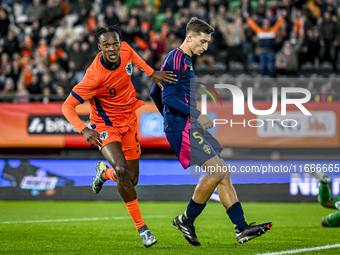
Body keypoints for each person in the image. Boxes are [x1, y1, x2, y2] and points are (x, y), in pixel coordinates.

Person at [150, 17, 272, 246]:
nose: (205, 47)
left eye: (207, 42)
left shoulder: (181, 59)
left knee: (222, 172)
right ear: (190, 37)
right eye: (202, 41)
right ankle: (186, 219)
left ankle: (241, 228)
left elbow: (154, 93)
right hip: (183, 125)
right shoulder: (176, 59)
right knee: (217, 170)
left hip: (184, 124)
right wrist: (190, 117)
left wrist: (169, 116)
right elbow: (167, 97)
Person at [62, 24, 177, 248]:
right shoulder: (94, 77)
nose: (113, 48)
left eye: (115, 43)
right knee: (123, 171)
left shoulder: (125, 50)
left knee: (131, 179)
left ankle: (104, 173)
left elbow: (133, 55)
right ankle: (142, 228)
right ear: (99, 47)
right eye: (107, 45)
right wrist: (84, 129)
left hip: (129, 121)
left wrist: (151, 73)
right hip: (105, 125)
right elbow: (67, 106)